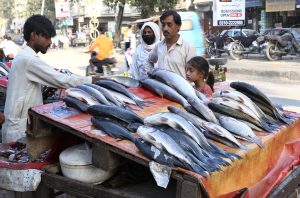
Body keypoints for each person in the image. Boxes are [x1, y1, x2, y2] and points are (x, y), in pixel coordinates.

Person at [2, 15, 97, 143]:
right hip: (19, 131)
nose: (50, 42)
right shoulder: (28, 59)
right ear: (34, 35)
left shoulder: (25, 56)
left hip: (18, 126)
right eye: (46, 37)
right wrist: (92, 81)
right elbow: (61, 79)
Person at [145, 10, 197, 78]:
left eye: (169, 25)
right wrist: (151, 76)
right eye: (163, 25)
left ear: (178, 26)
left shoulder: (188, 48)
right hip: (162, 88)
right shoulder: (159, 46)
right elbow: (149, 61)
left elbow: (194, 74)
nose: (165, 28)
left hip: (180, 88)